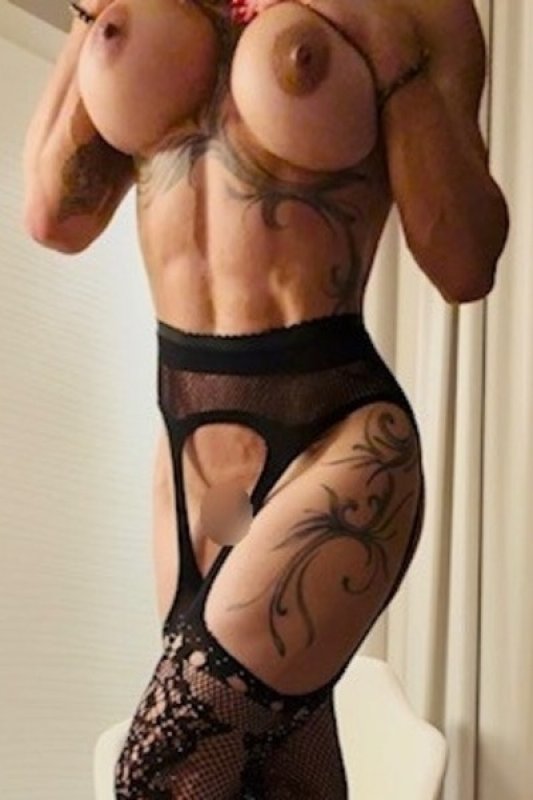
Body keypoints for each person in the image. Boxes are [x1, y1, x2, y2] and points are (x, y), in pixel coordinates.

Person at [22, 0, 509, 796]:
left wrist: (389, 51)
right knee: (272, 779)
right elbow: (55, 218)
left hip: (337, 437)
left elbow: (464, 264)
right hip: (191, 457)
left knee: (163, 771)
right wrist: (93, 24)